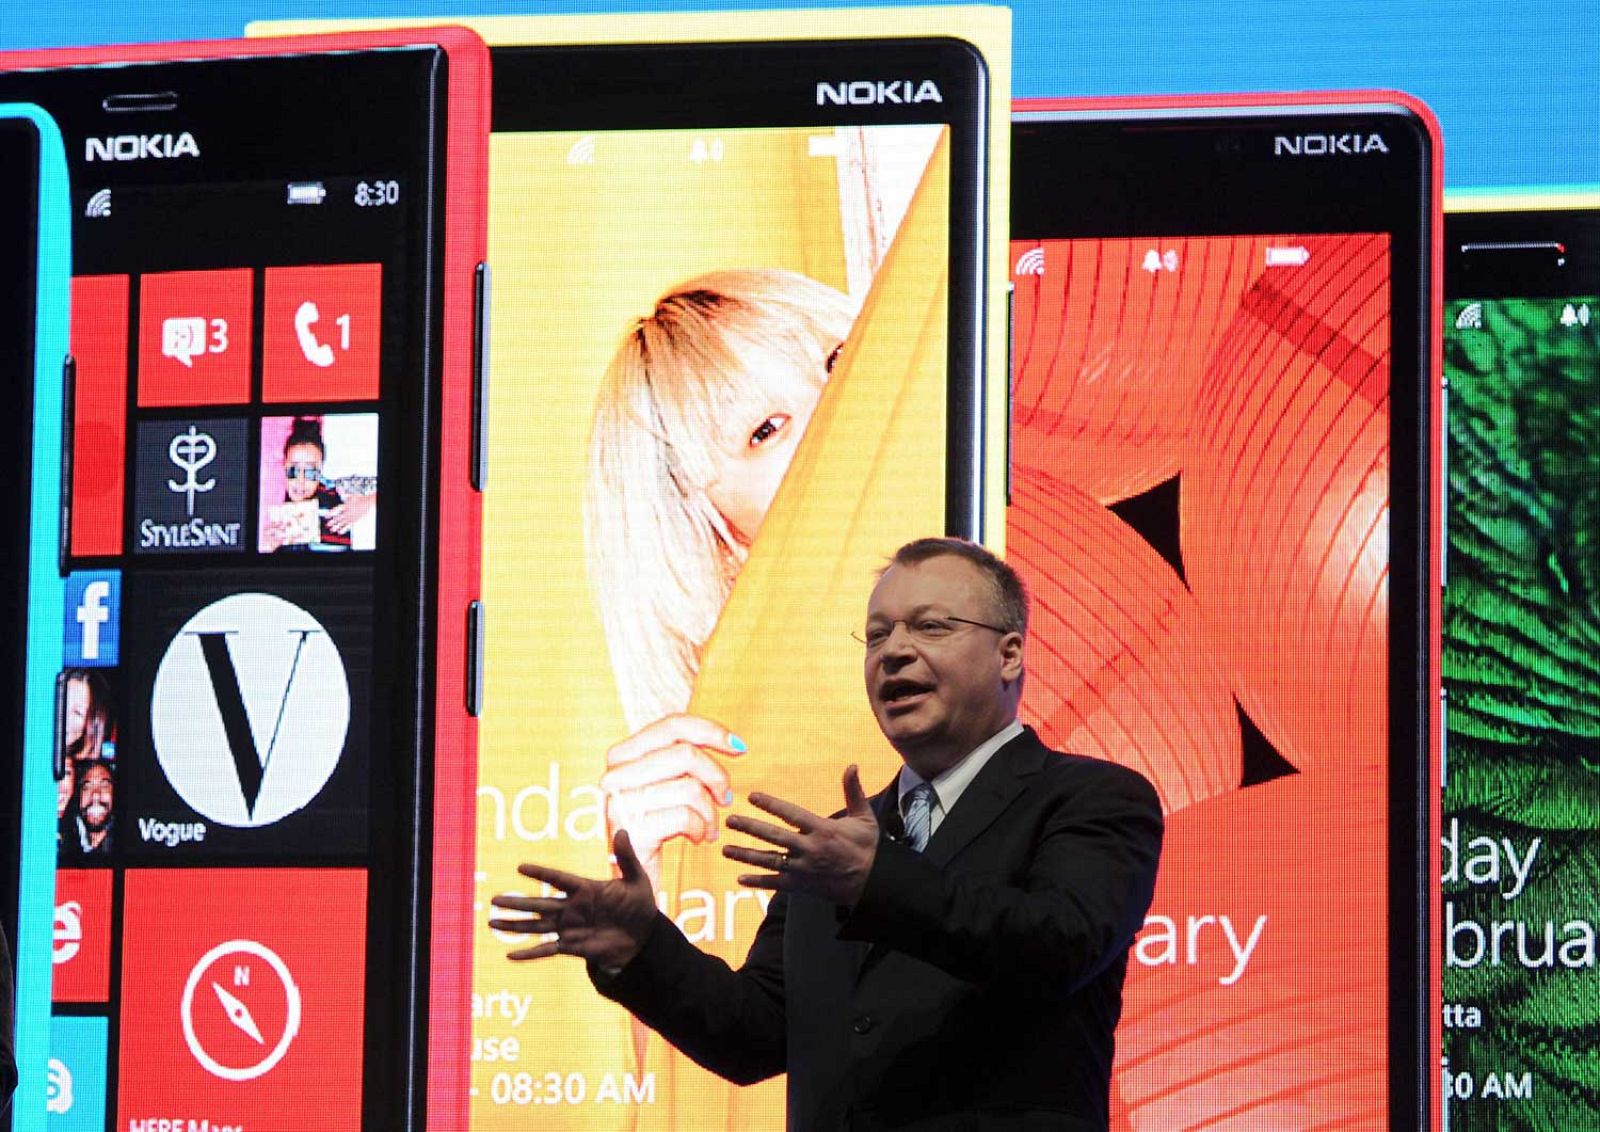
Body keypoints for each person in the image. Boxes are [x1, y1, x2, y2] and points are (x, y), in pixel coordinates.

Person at [491, 537, 1164, 1130]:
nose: (895, 652)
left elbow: (1059, 946)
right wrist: (642, 951)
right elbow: (755, 1035)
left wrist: (879, 883)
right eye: (877, 636)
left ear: (1009, 653)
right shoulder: (837, 843)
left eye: (930, 627)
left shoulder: (1092, 797)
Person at [582, 268, 857, 888]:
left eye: (840, 362)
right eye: (766, 431)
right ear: (718, 538)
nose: (837, 412)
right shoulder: (760, 798)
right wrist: (654, 928)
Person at [261, 416, 375, 552]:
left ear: (321, 469)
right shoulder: (271, 505)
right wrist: (267, 549)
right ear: (284, 465)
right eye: (294, 470)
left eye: (310, 472)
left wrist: (367, 502)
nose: (301, 481)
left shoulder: (339, 490)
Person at [66, 758, 114, 856]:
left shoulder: (130, 844)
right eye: (87, 788)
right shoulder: (63, 843)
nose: (95, 795)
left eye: (104, 786)